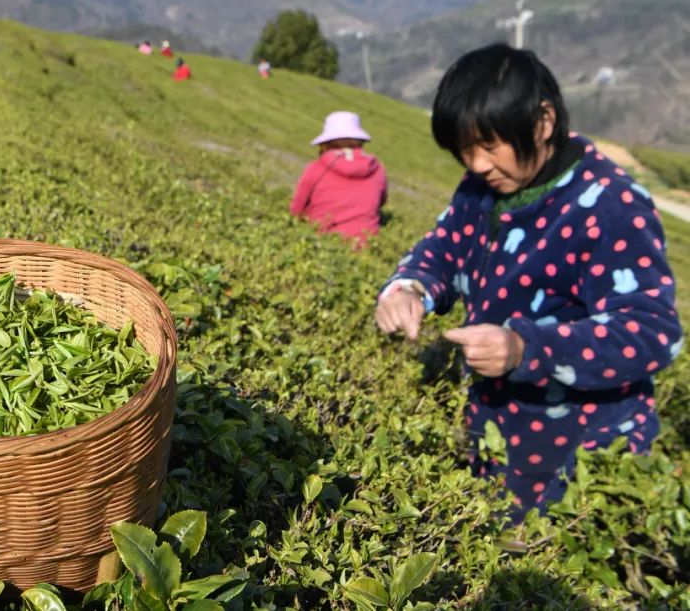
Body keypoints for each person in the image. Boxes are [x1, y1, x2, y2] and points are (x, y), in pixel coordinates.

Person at [374, 43, 683, 521]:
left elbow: (651, 333)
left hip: (580, 463)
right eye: (464, 148)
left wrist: (525, 349)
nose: (476, 164)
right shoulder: (481, 187)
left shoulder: (609, 206)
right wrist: (409, 288)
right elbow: (444, 249)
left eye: (489, 145)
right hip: (495, 438)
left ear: (542, 122)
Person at [289, 111, 387, 244]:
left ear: (326, 143)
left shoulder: (317, 168)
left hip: (321, 241)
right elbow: (380, 203)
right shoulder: (377, 169)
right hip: (366, 243)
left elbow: (296, 209)